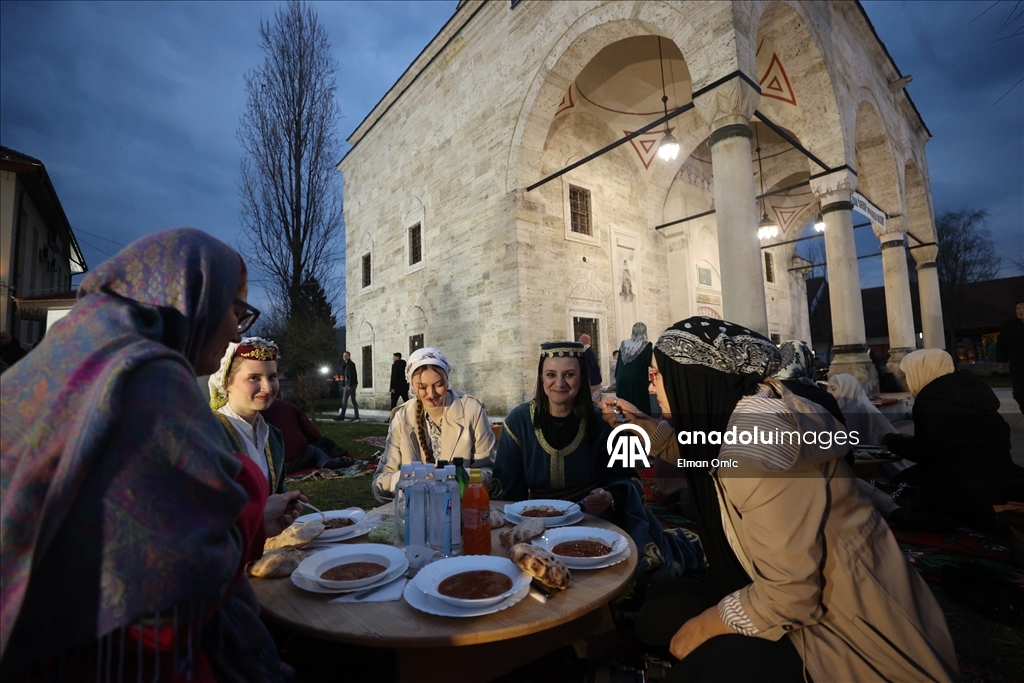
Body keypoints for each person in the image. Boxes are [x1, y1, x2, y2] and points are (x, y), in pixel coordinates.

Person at [0, 228, 303, 681]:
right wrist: (252, 494)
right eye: (235, 311)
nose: (235, 330)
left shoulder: (77, 351)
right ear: (194, 297)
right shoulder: (148, 377)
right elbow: (185, 566)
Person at [631, 318, 957, 683]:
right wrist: (654, 433)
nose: (651, 384)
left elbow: (792, 596)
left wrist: (702, 627)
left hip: (838, 632)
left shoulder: (759, 448)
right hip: (785, 589)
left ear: (690, 375)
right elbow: (708, 460)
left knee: (691, 654)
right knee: (655, 616)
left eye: (657, 375)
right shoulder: (743, 414)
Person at [497, 341, 703, 579]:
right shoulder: (518, 421)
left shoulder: (604, 420)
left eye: (570, 375)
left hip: (594, 519)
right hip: (534, 523)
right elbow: (508, 492)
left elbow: (631, 482)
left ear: (582, 377)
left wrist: (609, 497)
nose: (560, 383)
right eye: (551, 374)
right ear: (541, 378)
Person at [884, 349, 1024, 524]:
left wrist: (891, 441)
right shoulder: (973, 393)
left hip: (964, 484)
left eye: (907, 376)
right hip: (1000, 474)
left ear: (920, 372)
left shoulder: (930, 401)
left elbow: (925, 454)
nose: (906, 381)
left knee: (899, 487)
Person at [372, 347, 495, 501]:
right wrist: (410, 478)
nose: (431, 394)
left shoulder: (471, 411)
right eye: (422, 387)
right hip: (417, 513)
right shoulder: (402, 418)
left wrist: (454, 477)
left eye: (438, 385)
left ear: (448, 380)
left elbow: (490, 472)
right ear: (411, 384)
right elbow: (380, 483)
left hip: (463, 510)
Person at [263, 398, 348, 473]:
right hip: (294, 458)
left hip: (268, 464)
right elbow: (313, 433)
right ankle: (326, 462)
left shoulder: (256, 413)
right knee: (313, 449)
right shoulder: (290, 407)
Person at [615, 322, 653, 412]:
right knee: (638, 408)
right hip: (637, 381)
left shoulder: (624, 343)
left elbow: (619, 362)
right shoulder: (646, 345)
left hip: (621, 379)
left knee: (623, 408)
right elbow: (650, 362)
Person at [997, 299, 1024, 413]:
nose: (1020, 311)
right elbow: (1002, 343)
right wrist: (1001, 360)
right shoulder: (1009, 326)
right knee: (1019, 393)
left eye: (1023, 308)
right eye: (1018, 308)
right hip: (1018, 365)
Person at [335, 350, 360, 422]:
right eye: (343, 356)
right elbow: (346, 375)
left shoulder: (350, 364)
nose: (344, 357)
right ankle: (356, 416)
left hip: (350, 384)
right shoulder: (347, 364)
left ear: (349, 356)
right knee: (353, 400)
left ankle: (342, 416)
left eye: (346, 355)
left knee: (344, 400)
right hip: (350, 384)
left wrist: (349, 385)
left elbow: (352, 375)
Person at [579, 333, 603, 402]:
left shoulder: (579, 352)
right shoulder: (589, 351)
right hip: (594, 380)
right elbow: (594, 365)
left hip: (584, 380)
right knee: (595, 399)